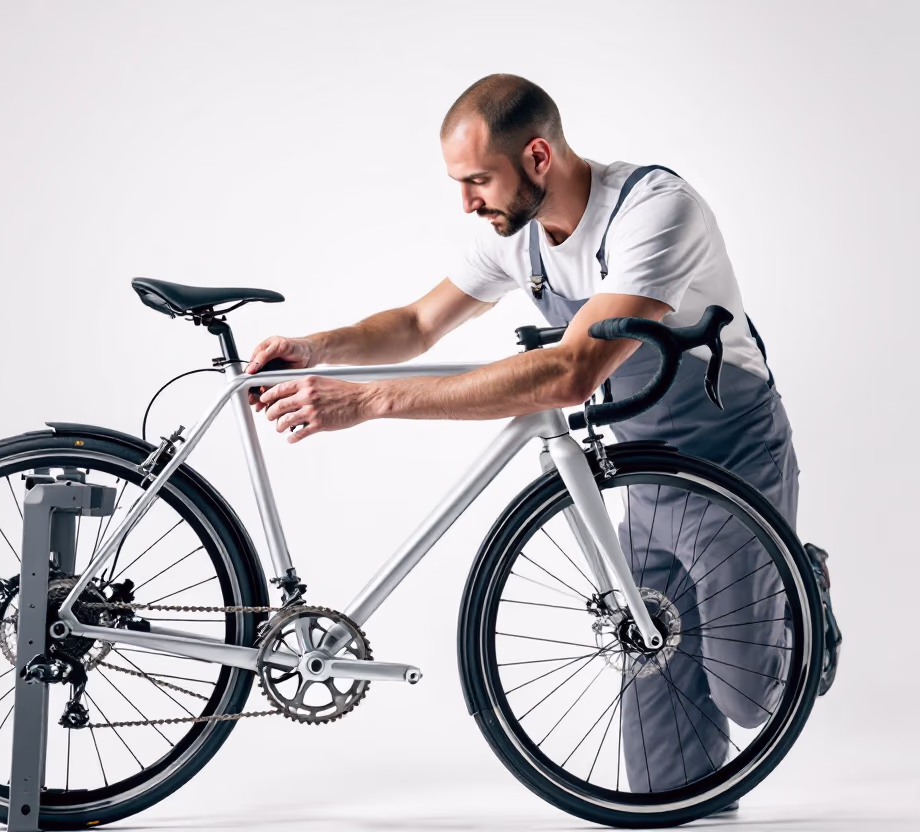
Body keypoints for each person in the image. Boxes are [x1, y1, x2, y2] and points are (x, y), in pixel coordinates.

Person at [243, 74, 836, 809]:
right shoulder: (517, 237)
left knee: (753, 701)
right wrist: (315, 346)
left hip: (730, 460)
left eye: (477, 180)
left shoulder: (655, 213)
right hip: (638, 472)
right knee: (666, 783)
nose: (466, 202)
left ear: (537, 157)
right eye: (459, 183)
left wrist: (371, 400)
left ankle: (800, 592)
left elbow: (570, 372)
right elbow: (419, 324)